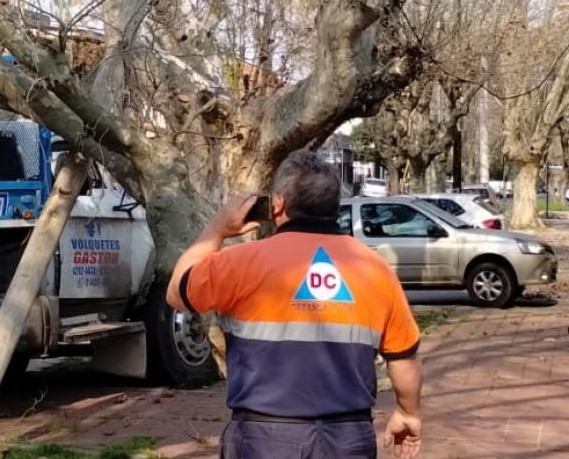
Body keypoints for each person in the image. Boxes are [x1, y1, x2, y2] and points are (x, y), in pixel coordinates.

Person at [166, 150, 423, 459]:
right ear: (333, 205)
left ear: (277, 204)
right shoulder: (375, 270)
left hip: (263, 439)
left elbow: (176, 294)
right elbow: (404, 357)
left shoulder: (239, 263)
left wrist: (216, 229)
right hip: (347, 438)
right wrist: (408, 412)